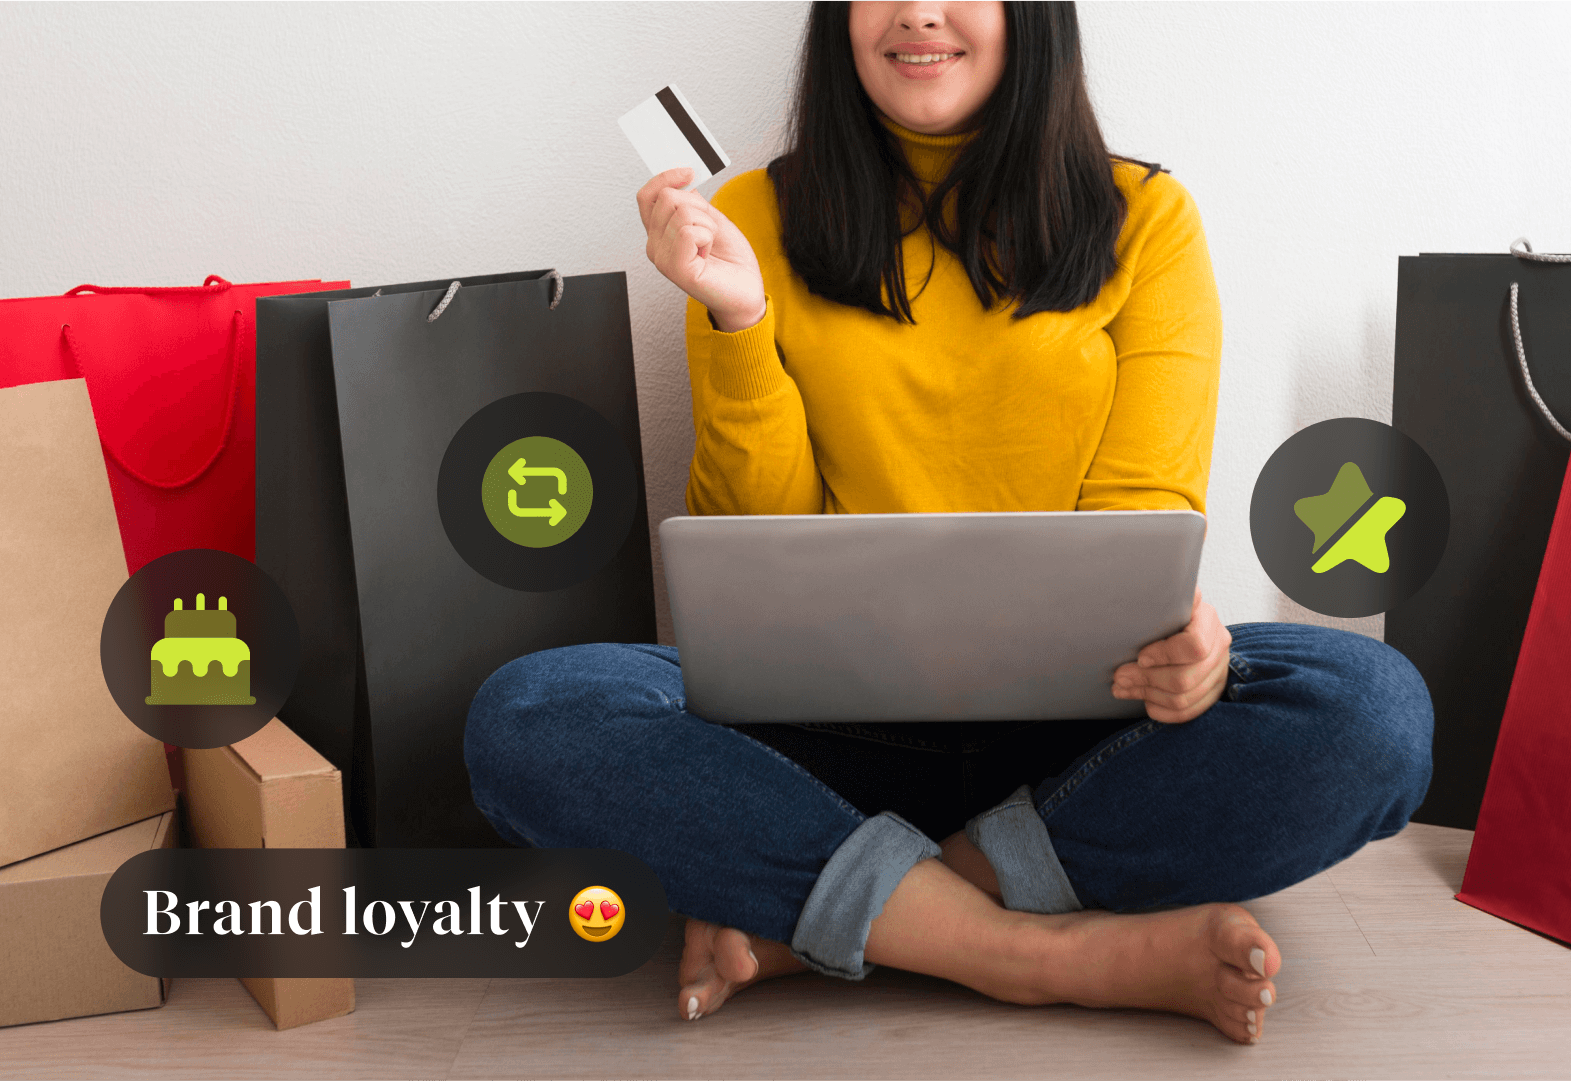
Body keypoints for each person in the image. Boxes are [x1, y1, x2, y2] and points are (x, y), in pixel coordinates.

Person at [465, 0, 1431, 1044]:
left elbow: (1143, 517)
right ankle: (1031, 953)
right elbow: (753, 548)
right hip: (818, 737)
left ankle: (841, 917)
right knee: (529, 714)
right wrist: (737, 316)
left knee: (1369, 709)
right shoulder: (742, 219)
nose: (918, 12)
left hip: (1082, 743)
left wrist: (1184, 652)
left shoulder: (1145, 216)